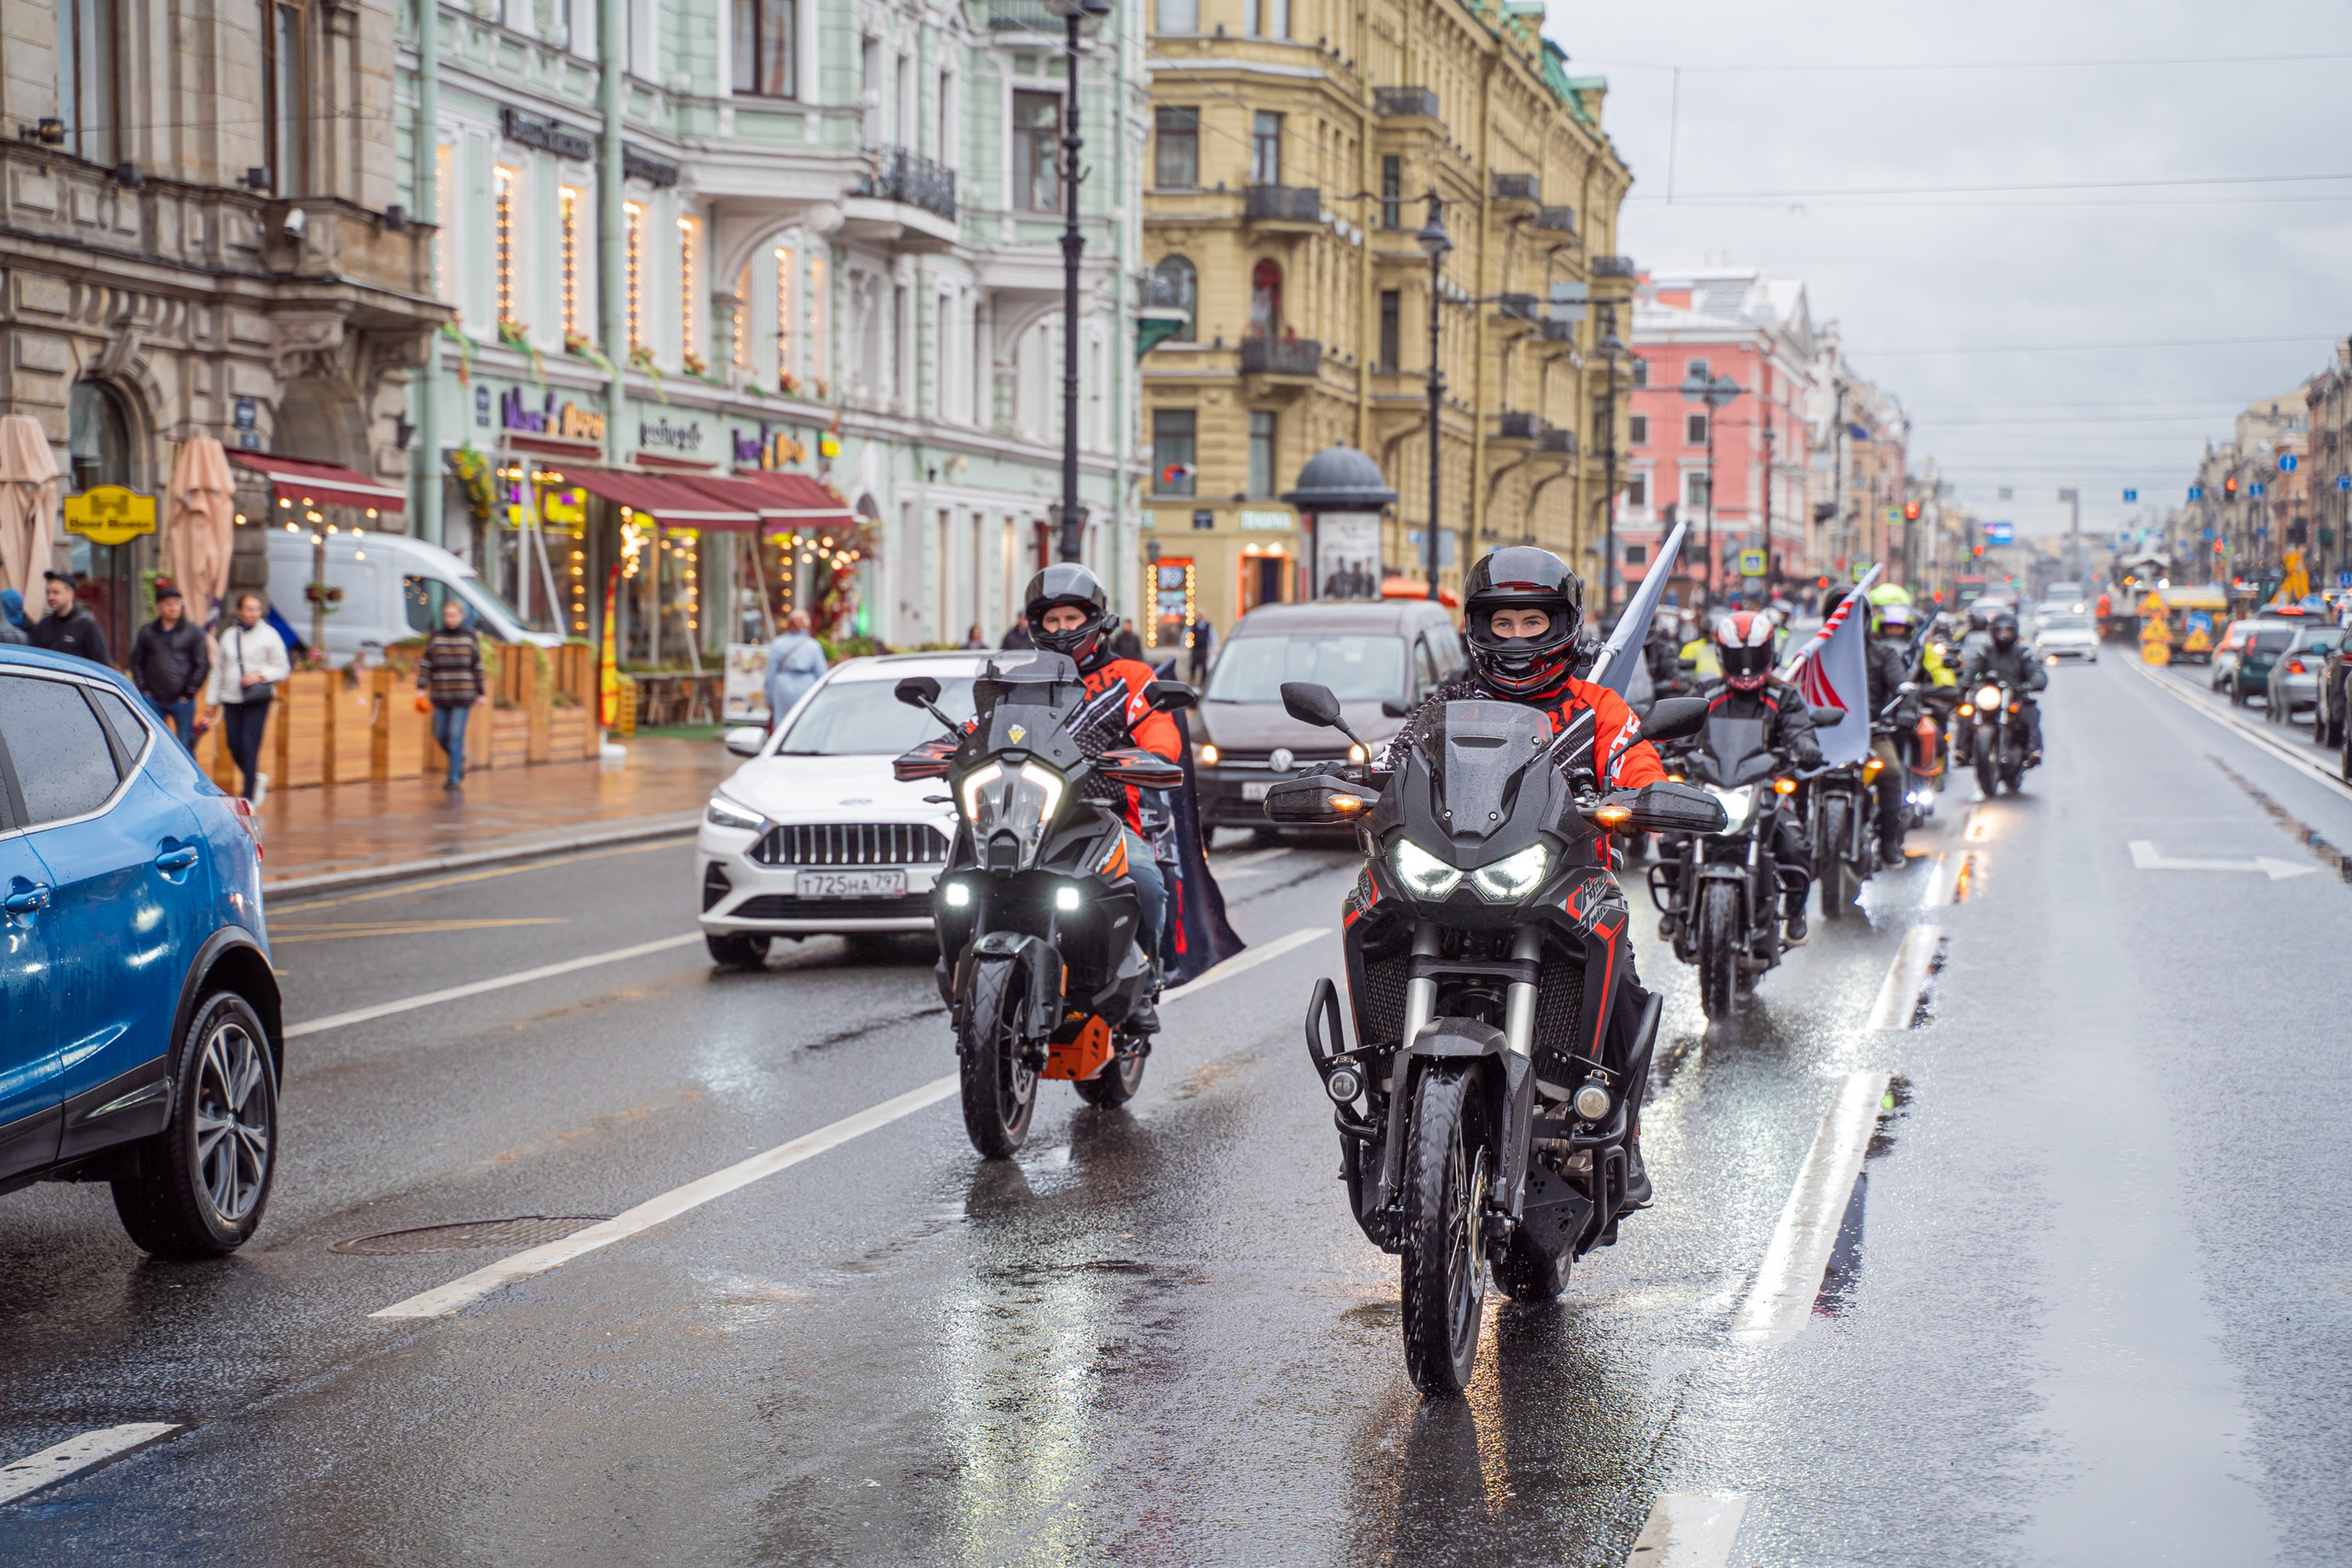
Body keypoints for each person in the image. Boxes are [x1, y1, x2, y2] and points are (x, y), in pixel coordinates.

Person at [1376, 547, 1672, 1206]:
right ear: (1480, 628)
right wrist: (1357, 783)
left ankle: (1620, 1134)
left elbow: (1636, 759)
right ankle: (1373, 1087)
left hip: (1566, 880)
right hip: (1450, 876)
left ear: (1560, 625)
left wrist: (1648, 794)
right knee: (1369, 915)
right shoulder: (1446, 703)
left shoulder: (1598, 708)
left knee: (1619, 978)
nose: (1515, 637)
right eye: (1502, 623)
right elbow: (1395, 763)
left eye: (1531, 623)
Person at [1023, 565, 1181, 1032]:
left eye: (1071, 618)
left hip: (1104, 819)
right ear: (1036, 625)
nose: (1061, 629)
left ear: (1093, 619)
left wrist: (1153, 752)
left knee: (1146, 882)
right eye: (1051, 621)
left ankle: (1145, 981)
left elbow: (1155, 722)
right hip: (1026, 819)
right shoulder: (1022, 679)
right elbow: (983, 725)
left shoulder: (1129, 674)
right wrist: (952, 745)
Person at [1696, 610, 1824, 940]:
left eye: (1756, 656)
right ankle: (1680, 902)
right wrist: (1668, 747)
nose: (1748, 666)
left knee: (1795, 848)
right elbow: (1680, 729)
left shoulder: (1784, 696)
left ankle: (1795, 911)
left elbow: (1799, 728)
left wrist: (1805, 745)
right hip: (1713, 788)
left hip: (1765, 790)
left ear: (1771, 653)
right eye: (1739, 657)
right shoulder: (1706, 695)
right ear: (1723, 656)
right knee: (1670, 837)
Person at [208, 592, 290, 803]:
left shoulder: (269, 635)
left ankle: (249, 797)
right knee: (233, 744)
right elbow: (218, 669)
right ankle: (255, 778)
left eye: (257, 609)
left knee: (249, 745)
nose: (254, 613)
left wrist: (260, 676)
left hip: (256, 698)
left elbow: (282, 667)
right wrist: (211, 701)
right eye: (249, 609)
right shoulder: (229, 635)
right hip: (231, 698)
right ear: (239, 611)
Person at [1865, 603, 1923, 863]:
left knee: (1891, 772)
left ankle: (1889, 839)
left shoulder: (1883, 653)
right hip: (1830, 733)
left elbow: (1903, 684)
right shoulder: (1825, 654)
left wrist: (1907, 710)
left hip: (1872, 732)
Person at [416, 596, 487, 790]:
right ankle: (459, 758)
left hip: (463, 696)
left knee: (456, 735)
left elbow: (477, 666)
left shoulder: (469, 637)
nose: (450, 618)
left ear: (462, 616)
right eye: (447, 615)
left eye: (454, 615)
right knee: (439, 734)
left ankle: (453, 777)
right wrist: (420, 688)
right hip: (441, 695)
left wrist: (481, 692)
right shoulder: (436, 637)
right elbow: (426, 664)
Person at [1960, 609, 2047, 764]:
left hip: (2016, 697)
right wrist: (1964, 683)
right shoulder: (1985, 653)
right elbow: (1971, 669)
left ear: (2014, 632)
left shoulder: (2022, 653)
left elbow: (2036, 671)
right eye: (1999, 630)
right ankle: (1962, 750)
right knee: (1966, 712)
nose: (2003, 634)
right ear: (1993, 632)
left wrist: (2034, 682)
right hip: (1990, 697)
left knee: (2030, 713)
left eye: (2007, 631)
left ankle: (2033, 750)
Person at [130, 584, 211, 748]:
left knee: (185, 745)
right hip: (153, 699)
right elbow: (136, 660)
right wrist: (143, 688)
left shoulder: (193, 632)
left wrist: (188, 693)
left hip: (182, 701)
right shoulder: (148, 631)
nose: (173, 607)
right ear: (159, 607)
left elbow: (202, 664)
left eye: (176, 602)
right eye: (168, 603)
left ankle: (187, 774)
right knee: (152, 743)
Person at [29, 571, 109, 664]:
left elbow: (102, 665)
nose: (50, 597)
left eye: (56, 592)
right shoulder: (44, 624)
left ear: (70, 594)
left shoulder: (87, 626)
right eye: (48, 592)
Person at [763, 610, 827, 727]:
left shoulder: (778, 643)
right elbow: (822, 674)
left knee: (782, 724)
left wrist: (769, 698)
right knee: (804, 722)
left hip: (782, 686)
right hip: (807, 686)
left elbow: (770, 675)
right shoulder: (813, 646)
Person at [1187, 614, 1216, 685]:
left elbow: (1213, 636)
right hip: (1196, 647)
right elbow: (1187, 633)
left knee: (1203, 665)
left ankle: (1203, 681)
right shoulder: (1194, 625)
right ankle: (1192, 679)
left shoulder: (1208, 625)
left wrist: (1214, 645)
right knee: (1193, 664)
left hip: (1203, 647)